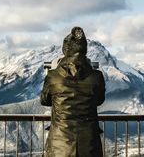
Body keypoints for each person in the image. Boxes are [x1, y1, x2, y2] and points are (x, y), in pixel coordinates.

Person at [40, 27, 106, 157]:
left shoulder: (53, 76)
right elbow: (99, 100)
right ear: (85, 50)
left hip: (59, 144)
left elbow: (44, 100)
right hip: (89, 143)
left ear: (65, 50)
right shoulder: (97, 76)